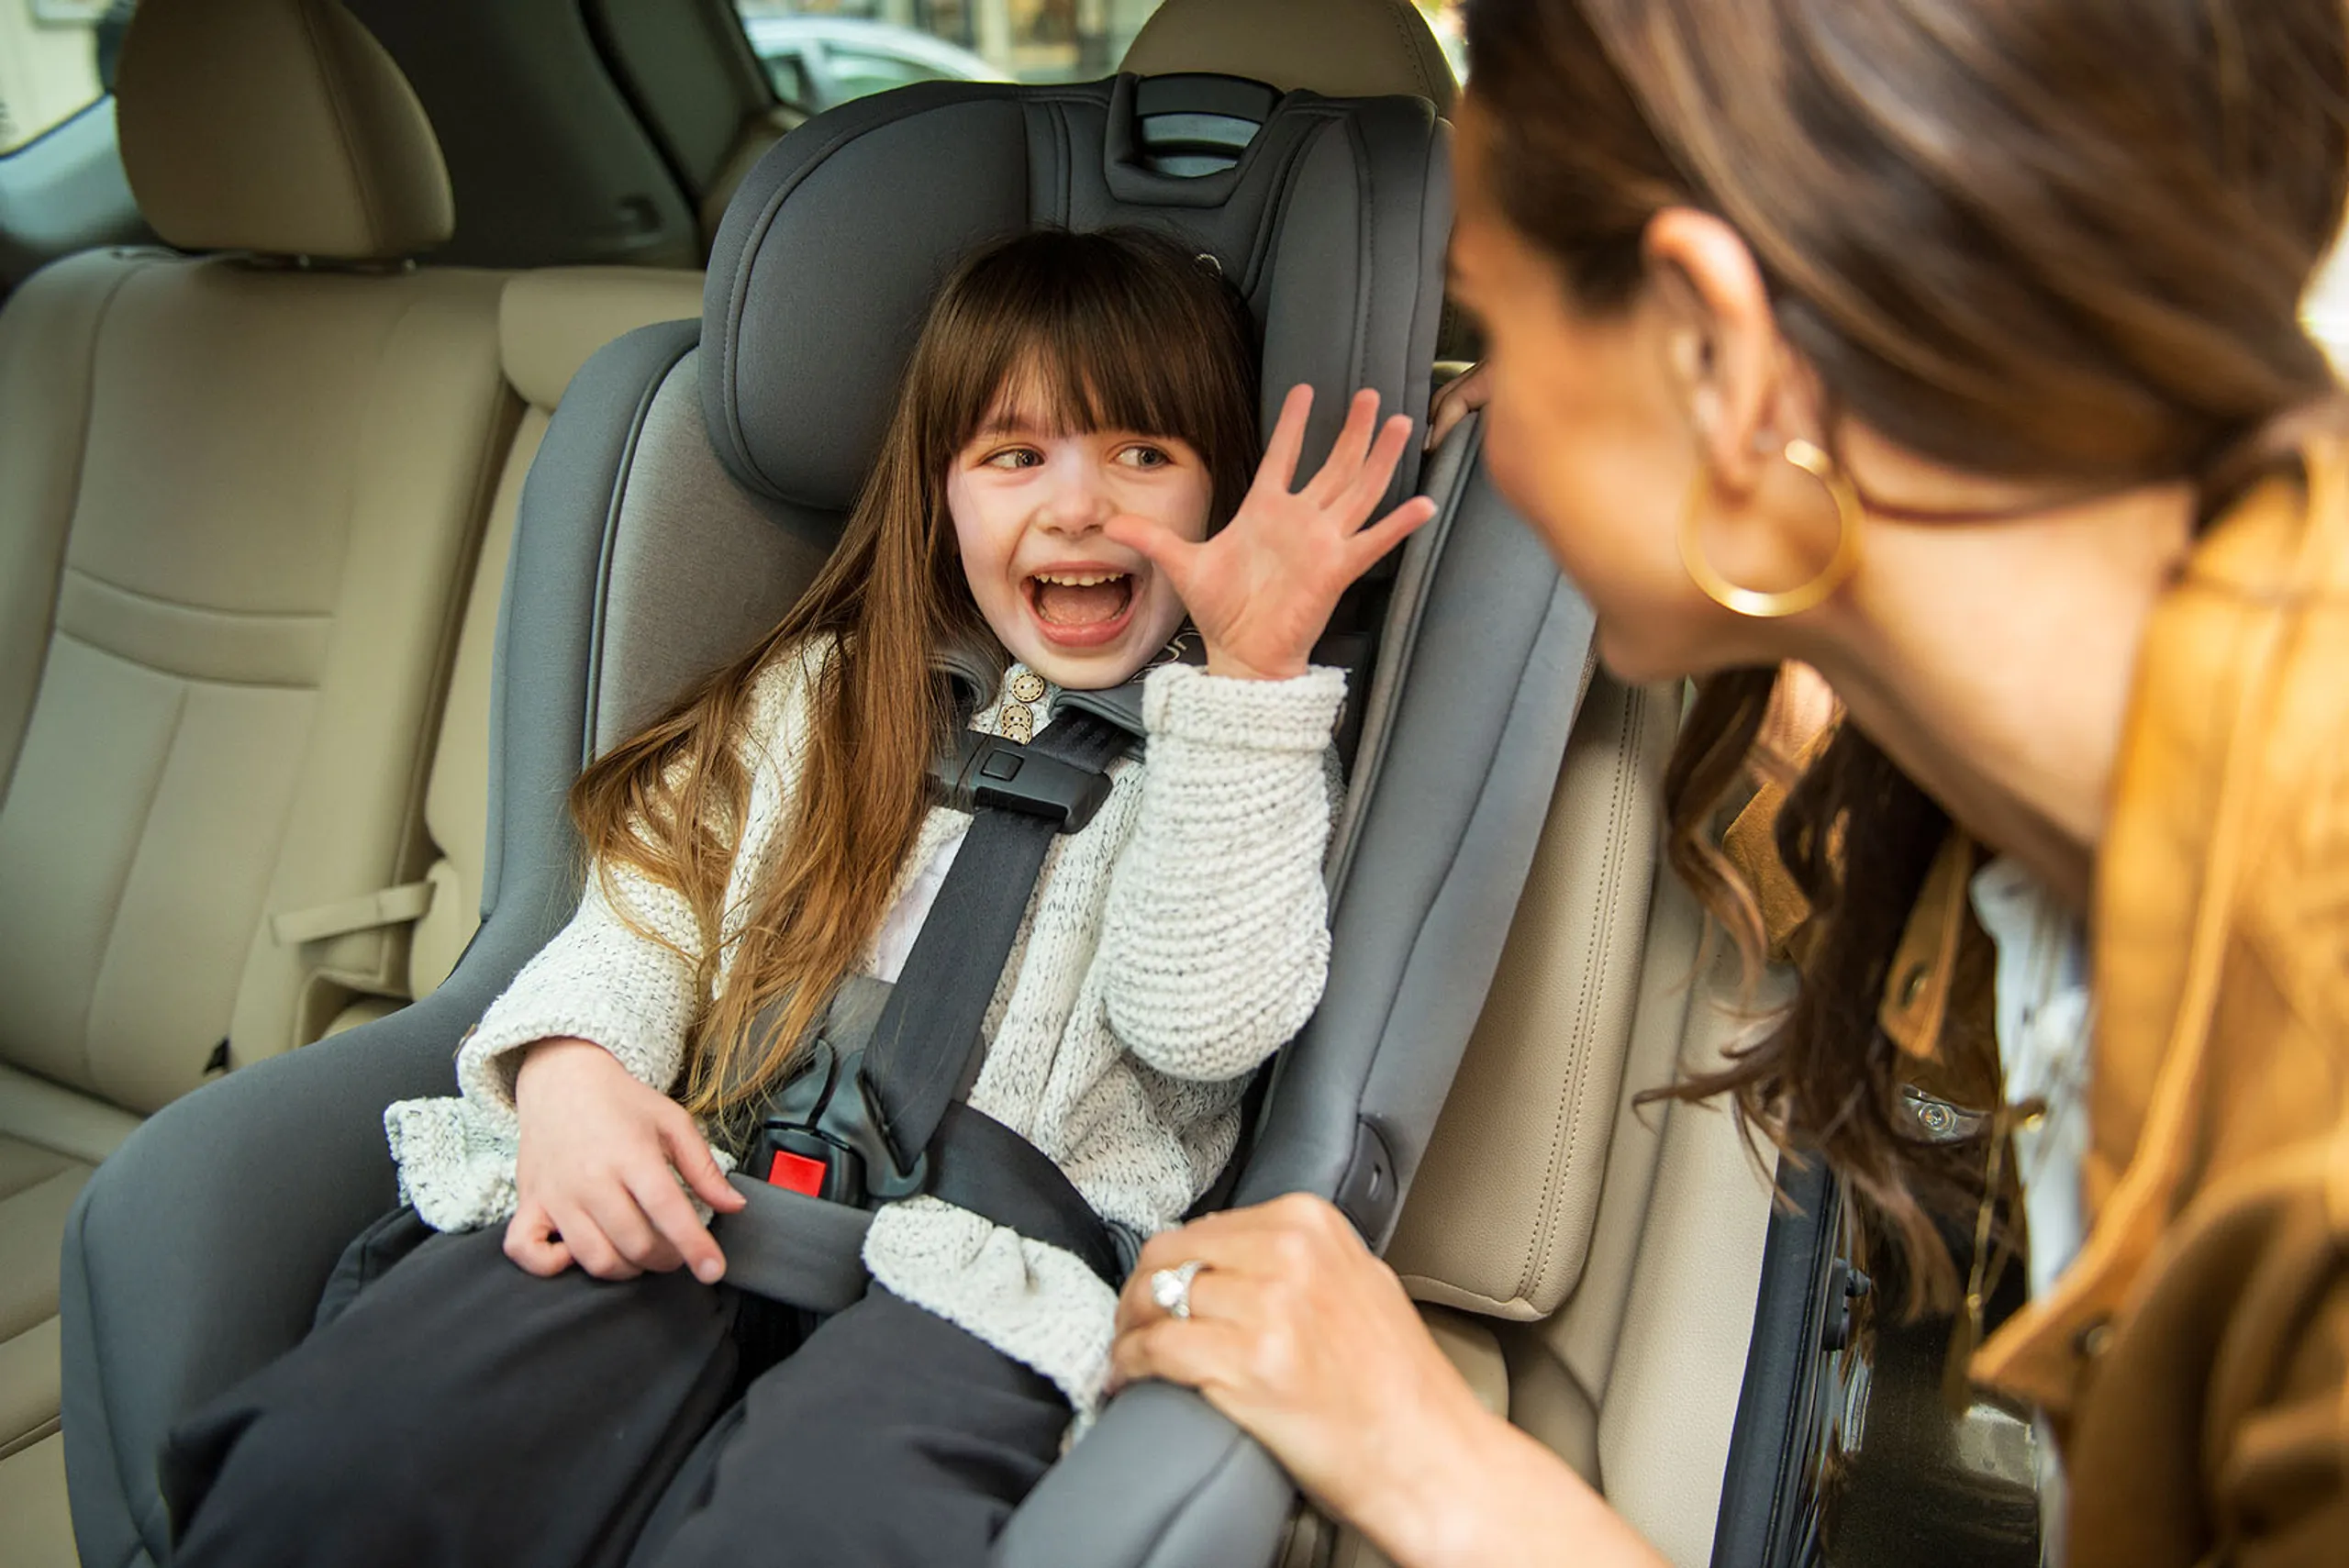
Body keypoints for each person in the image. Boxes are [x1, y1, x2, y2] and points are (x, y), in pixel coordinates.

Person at [1108, 2, 2349, 1565]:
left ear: (1718, 352)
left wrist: (1428, 1459)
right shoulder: (2115, 763)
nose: (1475, 418)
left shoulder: (2307, 1048)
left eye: (1492, 334)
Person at [160, 226, 1435, 1568]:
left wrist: (1248, 681)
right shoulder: (821, 695)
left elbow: (1201, 1025)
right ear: (941, 493)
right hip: (693, 1177)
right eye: (1016, 455)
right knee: (356, 1455)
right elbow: (647, 917)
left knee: (823, 1525)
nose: (1080, 508)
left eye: (1143, 455)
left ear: (1218, 493)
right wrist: (575, 1078)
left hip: (998, 1277)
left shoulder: (1240, 753)